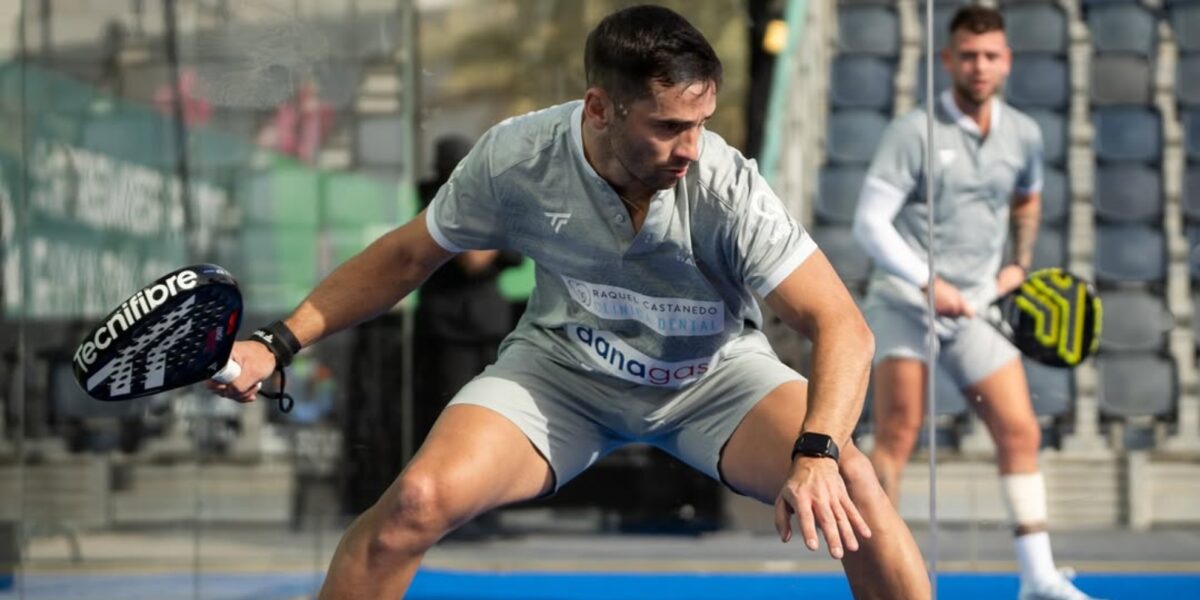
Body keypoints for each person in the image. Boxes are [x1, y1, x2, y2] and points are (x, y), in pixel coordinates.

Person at [213, 6, 929, 599]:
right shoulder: (515, 160)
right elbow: (406, 257)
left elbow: (843, 326)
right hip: (563, 377)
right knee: (413, 505)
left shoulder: (727, 187)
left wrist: (816, 452)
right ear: (599, 109)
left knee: (853, 484)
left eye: (701, 123)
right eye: (668, 127)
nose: (690, 147)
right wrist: (276, 344)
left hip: (714, 380)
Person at [852, 6, 1099, 600]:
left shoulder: (1024, 134)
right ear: (948, 60)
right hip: (904, 303)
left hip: (978, 309)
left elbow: (1027, 199)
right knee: (898, 435)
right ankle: (887, 581)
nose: (979, 66)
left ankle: (1038, 579)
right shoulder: (913, 131)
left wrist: (1019, 263)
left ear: (1006, 61)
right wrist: (925, 281)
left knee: (1020, 431)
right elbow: (869, 223)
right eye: (968, 55)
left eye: (990, 55)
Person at [414, 135, 523, 449]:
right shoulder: (437, 200)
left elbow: (516, 252)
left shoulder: (486, 201)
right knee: (453, 416)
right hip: (450, 329)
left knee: (496, 410)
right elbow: (472, 258)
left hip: (488, 324)